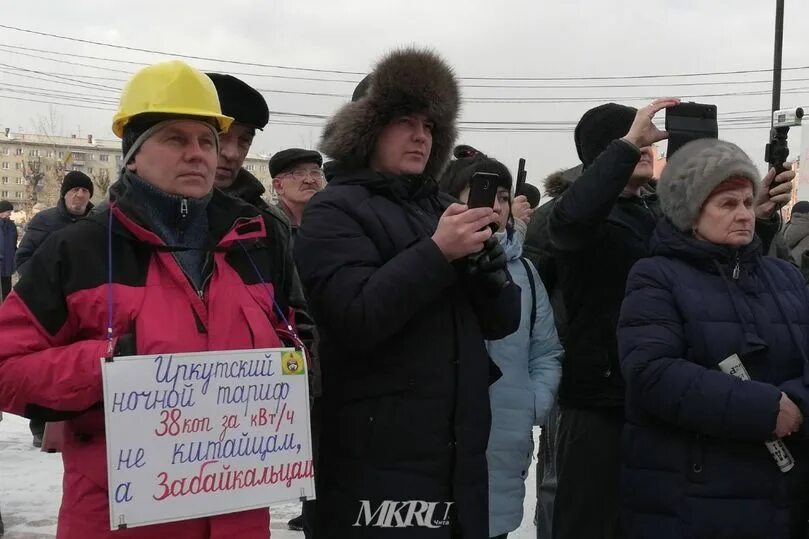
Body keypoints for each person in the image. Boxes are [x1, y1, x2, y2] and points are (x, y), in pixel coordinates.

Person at [0, 60, 309, 539]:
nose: (198, 154)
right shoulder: (78, 250)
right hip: (117, 522)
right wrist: (109, 365)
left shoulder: (257, 242)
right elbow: (7, 368)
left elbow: (297, 336)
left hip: (237, 517)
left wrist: (293, 375)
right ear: (133, 156)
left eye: (207, 140)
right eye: (175, 139)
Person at [294, 48, 521, 538]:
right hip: (374, 460)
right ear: (367, 129)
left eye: (429, 124)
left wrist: (488, 271)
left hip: (455, 452)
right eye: (404, 121)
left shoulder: (440, 206)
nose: (420, 135)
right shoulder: (333, 209)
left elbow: (503, 322)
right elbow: (355, 317)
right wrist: (439, 252)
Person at [548, 99, 795, 539]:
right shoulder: (581, 214)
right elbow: (568, 223)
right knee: (591, 522)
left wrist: (751, 216)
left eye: (645, 135)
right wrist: (627, 146)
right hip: (603, 399)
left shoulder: (655, 214)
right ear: (601, 155)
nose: (645, 143)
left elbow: (707, 263)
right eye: (627, 137)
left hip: (672, 403)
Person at [618, 139, 809, 538]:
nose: (744, 214)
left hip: (786, 495)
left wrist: (797, 404)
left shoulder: (785, 277)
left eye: (745, 201)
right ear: (691, 212)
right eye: (726, 204)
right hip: (693, 498)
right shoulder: (656, 276)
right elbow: (651, 372)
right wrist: (763, 409)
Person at [438, 152, 562, 539]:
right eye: (481, 193)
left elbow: (546, 351)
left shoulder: (524, 272)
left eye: (504, 196)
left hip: (505, 439)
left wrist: (533, 403)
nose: (495, 205)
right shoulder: (430, 260)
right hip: (438, 442)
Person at [15, 171, 94, 276]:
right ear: (64, 194)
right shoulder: (44, 220)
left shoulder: (97, 222)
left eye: (85, 191)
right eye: (75, 190)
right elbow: (23, 260)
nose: (80, 195)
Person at [270, 148, 324, 235]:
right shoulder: (270, 225)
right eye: (299, 173)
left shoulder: (331, 221)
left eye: (315, 172)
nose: (310, 180)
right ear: (278, 185)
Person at [0, 200, 16, 302]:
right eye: (8, 211)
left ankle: (6, 305)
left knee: (7, 284)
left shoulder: (11, 225)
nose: (10, 213)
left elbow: (13, 241)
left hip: (7, 260)